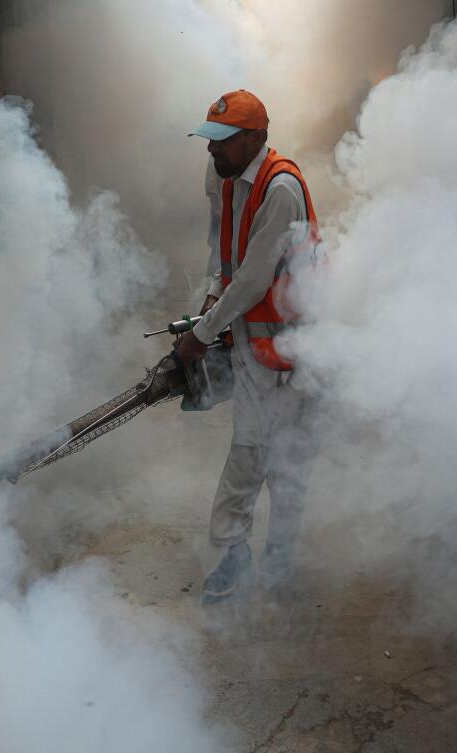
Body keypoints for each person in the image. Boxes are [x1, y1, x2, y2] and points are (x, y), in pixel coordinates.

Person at [179, 89, 321, 604]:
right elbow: (227, 260)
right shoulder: (228, 181)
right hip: (256, 343)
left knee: (271, 456)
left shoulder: (279, 187)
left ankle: (265, 557)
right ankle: (240, 553)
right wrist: (207, 313)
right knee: (257, 451)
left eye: (224, 141)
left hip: (292, 349)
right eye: (210, 140)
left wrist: (200, 335)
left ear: (256, 138)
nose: (212, 150)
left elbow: (256, 277)